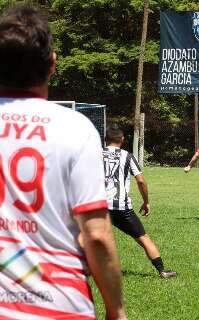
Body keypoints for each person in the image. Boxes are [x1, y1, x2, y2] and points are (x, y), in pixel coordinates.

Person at [0, 5, 126, 319]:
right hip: (59, 304)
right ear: (52, 64)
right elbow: (96, 234)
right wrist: (116, 310)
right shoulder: (75, 127)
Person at [103, 125, 177, 278]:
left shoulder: (93, 155)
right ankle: (162, 270)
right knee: (143, 238)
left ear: (105, 140)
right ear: (122, 140)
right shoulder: (128, 156)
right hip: (122, 208)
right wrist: (146, 202)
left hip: (98, 206)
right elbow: (141, 181)